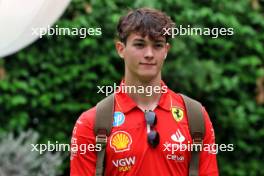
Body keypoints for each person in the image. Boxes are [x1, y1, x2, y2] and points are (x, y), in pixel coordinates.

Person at [70, 7, 219, 176]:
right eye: (140, 44)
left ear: (166, 51)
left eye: (157, 45)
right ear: (120, 49)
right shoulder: (92, 123)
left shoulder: (195, 116)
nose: (149, 54)